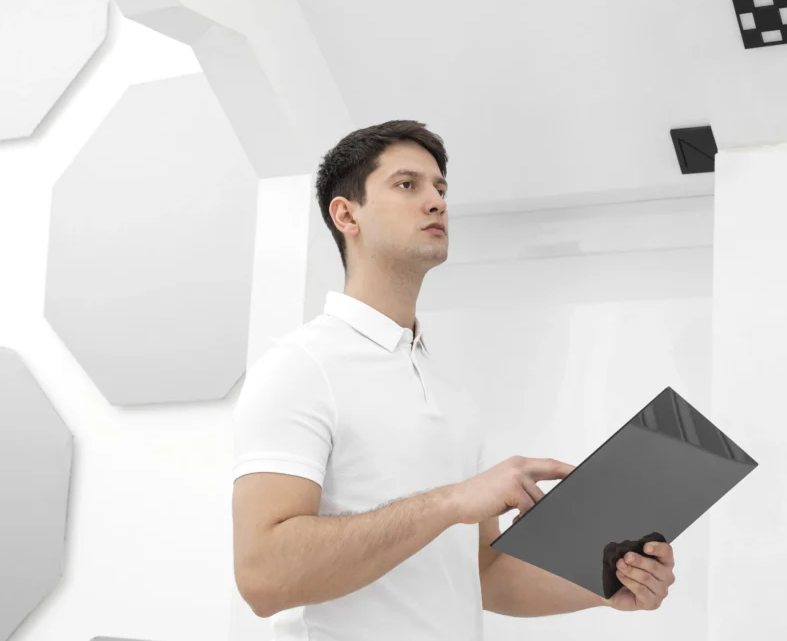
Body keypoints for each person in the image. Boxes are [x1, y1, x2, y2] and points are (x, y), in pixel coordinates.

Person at [230, 120, 676, 639]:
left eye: (440, 188)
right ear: (346, 213)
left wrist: (606, 587)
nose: (436, 201)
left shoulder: (450, 392)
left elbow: (482, 577)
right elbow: (263, 577)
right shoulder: (298, 368)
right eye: (407, 185)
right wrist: (449, 502)